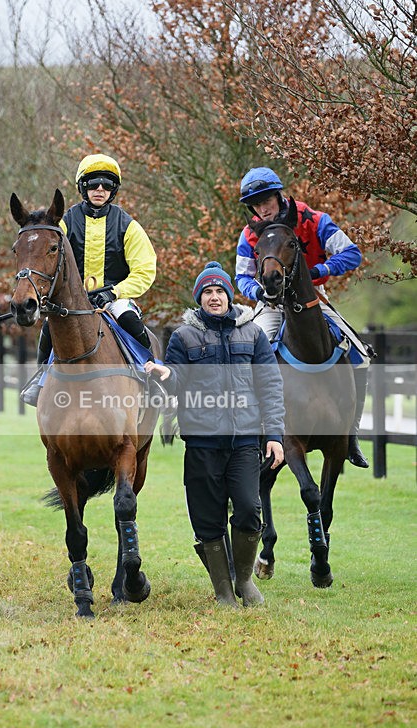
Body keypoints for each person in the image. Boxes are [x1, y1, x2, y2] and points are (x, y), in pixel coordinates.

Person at [145, 263, 285, 608]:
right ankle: (224, 590)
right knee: (207, 517)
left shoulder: (251, 334)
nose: (214, 297)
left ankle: (245, 580)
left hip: (244, 441)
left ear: (229, 295)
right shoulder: (184, 336)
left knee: (250, 509)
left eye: (219, 291)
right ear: (199, 299)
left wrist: (275, 435)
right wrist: (164, 374)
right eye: (207, 292)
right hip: (202, 442)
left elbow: (270, 385)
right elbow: (178, 381)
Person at [235, 166, 372, 468]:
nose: (262, 209)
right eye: (256, 205)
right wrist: (258, 294)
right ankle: (251, 434)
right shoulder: (250, 233)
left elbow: (352, 254)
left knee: (361, 355)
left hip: (314, 300)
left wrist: (321, 271)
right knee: (248, 355)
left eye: (266, 201)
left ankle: (351, 436)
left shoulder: (316, 220)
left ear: (278, 196)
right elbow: (241, 277)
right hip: (272, 305)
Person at [21, 153, 157, 405]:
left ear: (113, 190)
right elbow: (46, 257)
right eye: (93, 183)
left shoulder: (129, 226)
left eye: (106, 184)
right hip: (71, 302)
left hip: (113, 300)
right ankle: (40, 379)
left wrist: (113, 292)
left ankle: (151, 377)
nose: (99, 189)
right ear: (83, 187)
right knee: (49, 328)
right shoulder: (64, 223)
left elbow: (145, 270)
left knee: (131, 321)